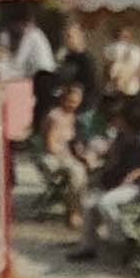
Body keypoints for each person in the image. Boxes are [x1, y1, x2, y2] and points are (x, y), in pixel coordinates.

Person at [69, 99, 140, 261]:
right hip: (119, 184)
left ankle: (123, 241)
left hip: (139, 187)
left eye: (120, 117)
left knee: (106, 202)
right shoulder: (122, 136)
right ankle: (88, 247)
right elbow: (112, 158)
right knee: (89, 203)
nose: (116, 120)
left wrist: (137, 173)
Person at [42, 83, 89, 229]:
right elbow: (51, 146)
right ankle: (74, 211)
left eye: (76, 102)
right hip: (53, 157)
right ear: (63, 99)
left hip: (69, 156)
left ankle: (80, 210)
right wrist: (71, 157)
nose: (73, 105)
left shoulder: (74, 117)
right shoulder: (55, 117)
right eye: (70, 101)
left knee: (87, 168)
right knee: (77, 172)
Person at [13, 16, 58, 132]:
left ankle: (38, 131)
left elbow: (20, 59)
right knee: (45, 105)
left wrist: (11, 68)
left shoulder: (30, 35)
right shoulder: (38, 34)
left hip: (43, 75)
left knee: (41, 106)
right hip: (49, 74)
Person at [101, 26, 140, 100]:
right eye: (121, 36)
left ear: (131, 37)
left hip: (131, 87)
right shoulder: (109, 49)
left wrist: (130, 79)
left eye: (126, 36)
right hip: (113, 87)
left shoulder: (138, 51)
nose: (123, 39)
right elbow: (107, 68)